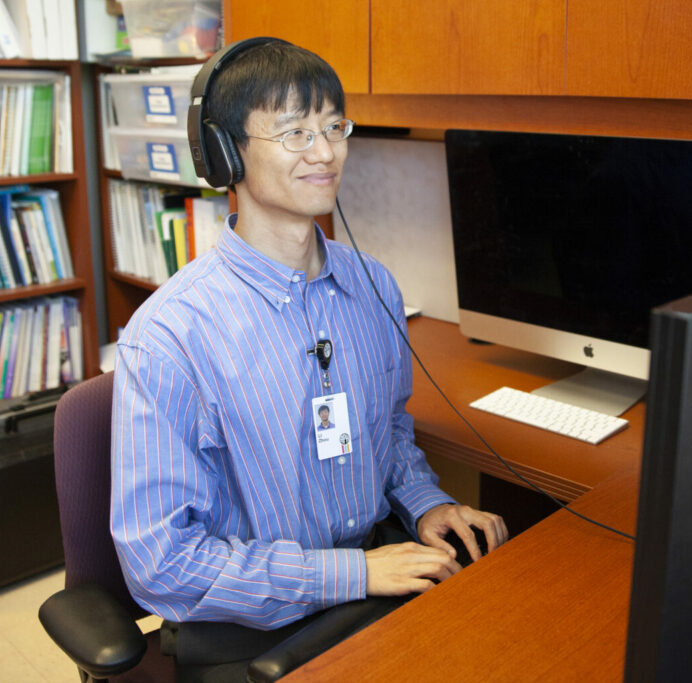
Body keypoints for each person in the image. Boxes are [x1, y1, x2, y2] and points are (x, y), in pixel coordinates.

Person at [110, 38, 508, 680]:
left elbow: (390, 436)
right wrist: (352, 572)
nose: (325, 153)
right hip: (251, 633)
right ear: (225, 153)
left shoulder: (373, 286)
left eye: (333, 126)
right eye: (294, 132)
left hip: (375, 589)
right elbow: (162, 564)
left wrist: (428, 503)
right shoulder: (170, 335)